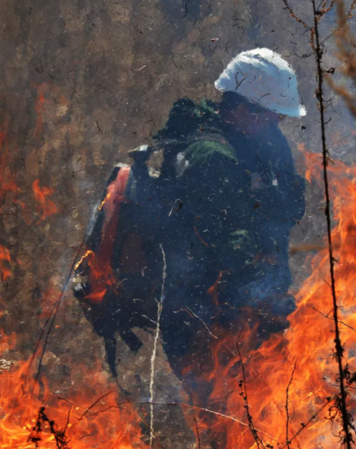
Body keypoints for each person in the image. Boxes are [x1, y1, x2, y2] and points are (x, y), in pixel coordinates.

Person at [73, 48, 306, 408]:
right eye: (272, 118)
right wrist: (266, 306)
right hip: (207, 320)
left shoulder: (246, 143)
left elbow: (290, 207)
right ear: (242, 109)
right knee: (237, 423)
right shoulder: (212, 156)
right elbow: (233, 248)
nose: (279, 126)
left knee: (257, 421)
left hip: (225, 313)